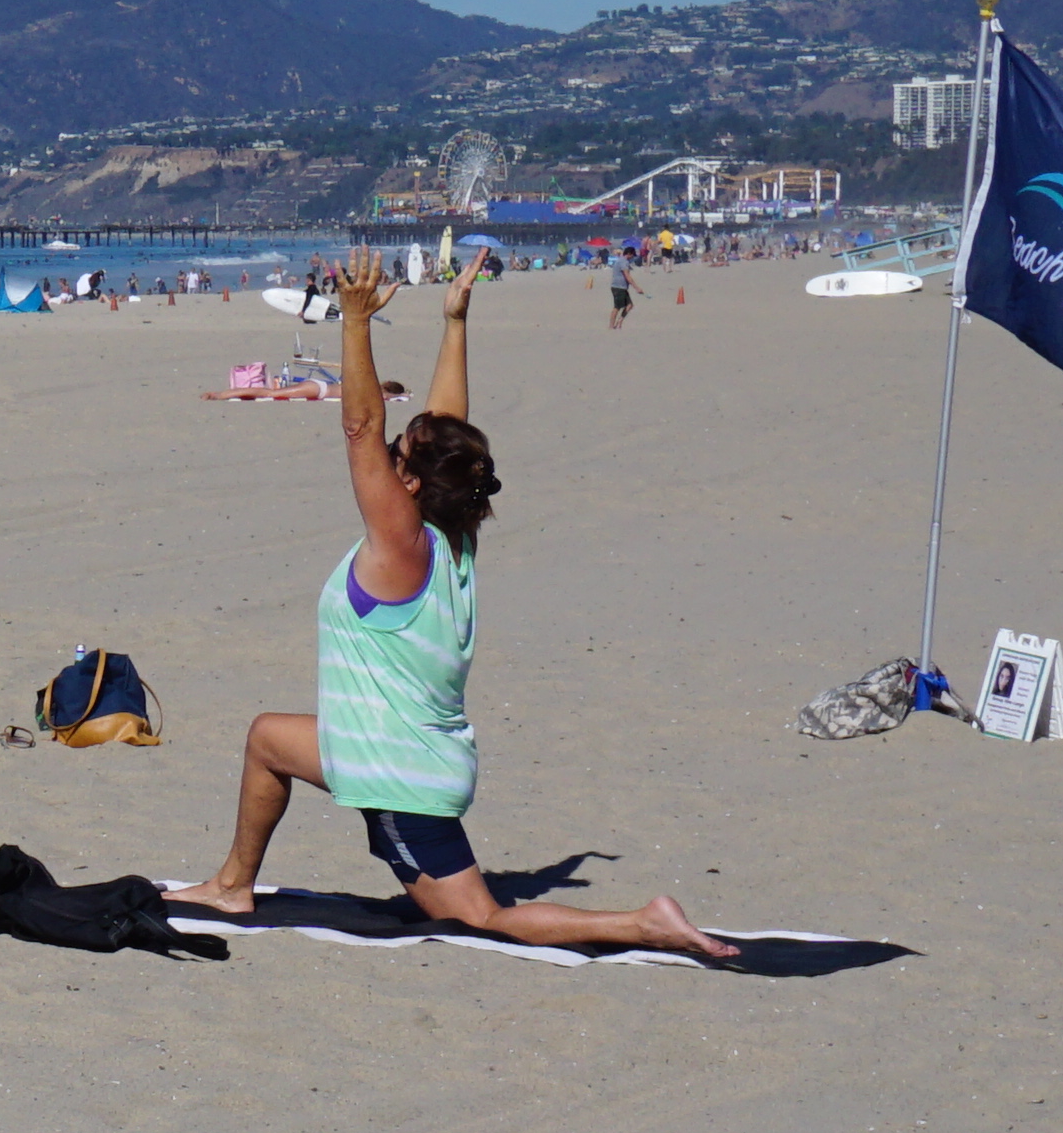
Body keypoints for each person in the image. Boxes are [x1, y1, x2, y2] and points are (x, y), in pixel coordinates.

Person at [172, 269, 730, 959]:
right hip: (415, 753)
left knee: (481, 918)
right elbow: (446, 435)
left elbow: (360, 427)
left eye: (397, 458)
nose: (386, 460)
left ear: (408, 483)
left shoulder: (401, 545)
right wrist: (455, 323)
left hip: (402, 773)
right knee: (268, 738)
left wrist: (354, 321)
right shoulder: (453, 536)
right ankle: (232, 884)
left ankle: (643, 922)